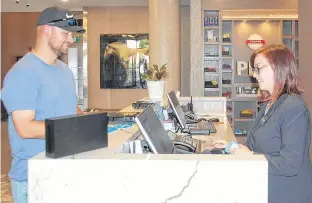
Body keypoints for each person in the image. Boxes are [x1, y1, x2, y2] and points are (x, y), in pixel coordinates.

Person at [1, 6, 85, 203]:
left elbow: (71, 110)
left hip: (65, 171)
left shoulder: (66, 72)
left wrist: (89, 123)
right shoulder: (22, 73)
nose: (71, 40)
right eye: (66, 33)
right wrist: (72, 130)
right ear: (47, 30)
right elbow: (25, 128)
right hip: (33, 179)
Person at [213, 44, 312, 203]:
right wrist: (233, 147)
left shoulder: (294, 107)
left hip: (287, 193)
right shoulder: (270, 104)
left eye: (258, 68)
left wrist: (250, 156)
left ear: (279, 67)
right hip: (266, 186)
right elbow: (257, 143)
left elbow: (290, 164)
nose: (254, 74)